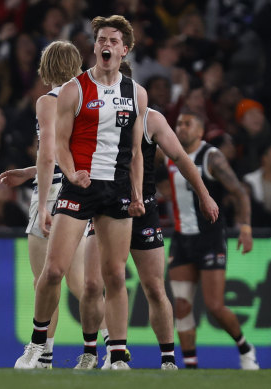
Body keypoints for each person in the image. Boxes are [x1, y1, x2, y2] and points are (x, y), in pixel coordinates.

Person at [13, 15, 147, 371]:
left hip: (112, 190)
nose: (106, 45)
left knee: (108, 277)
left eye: (113, 40)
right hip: (75, 187)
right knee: (57, 273)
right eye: (101, 39)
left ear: (125, 48)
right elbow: (58, 145)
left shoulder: (135, 93)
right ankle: (40, 346)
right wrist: (72, 174)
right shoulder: (75, 89)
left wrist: (136, 193)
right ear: (94, 46)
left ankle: (112, 354)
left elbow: (135, 152)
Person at [76, 100, 219, 369]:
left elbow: (179, 156)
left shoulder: (149, 118)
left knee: (154, 287)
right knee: (93, 285)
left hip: (143, 211)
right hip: (105, 209)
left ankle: (168, 360)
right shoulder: (95, 113)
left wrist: (204, 194)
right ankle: (92, 353)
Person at [0, 40, 89, 368]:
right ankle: (114, 346)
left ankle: (40, 353)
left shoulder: (48, 101)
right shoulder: (86, 101)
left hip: (53, 194)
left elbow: (49, 152)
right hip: (84, 192)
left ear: (47, 66)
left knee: (44, 281)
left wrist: (42, 203)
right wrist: (28, 172)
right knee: (81, 282)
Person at [164, 110, 259, 370]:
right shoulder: (168, 152)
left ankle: (245, 348)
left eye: (187, 123)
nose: (181, 127)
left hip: (210, 237)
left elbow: (240, 193)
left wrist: (246, 228)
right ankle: (192, 369)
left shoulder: (211, 157)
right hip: (182, 238)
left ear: (200, 131)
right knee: (182, 306)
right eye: (179, 123)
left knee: (215, 306)